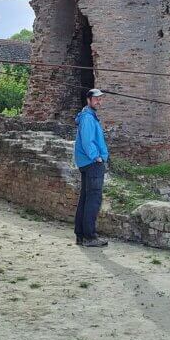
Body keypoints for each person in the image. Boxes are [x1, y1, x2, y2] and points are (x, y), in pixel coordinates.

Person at [74, 88, 110, 247]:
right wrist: (97, 157)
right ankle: (90, 237)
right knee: (94, 200)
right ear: (88, 100)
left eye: (100, 99)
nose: (99, 102)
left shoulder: (88, 116)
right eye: (96, 99)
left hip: (86, 163)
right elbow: (88, 141)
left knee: (85, 199)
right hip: (92, 163)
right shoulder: (88, 118)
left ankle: (81, 235)